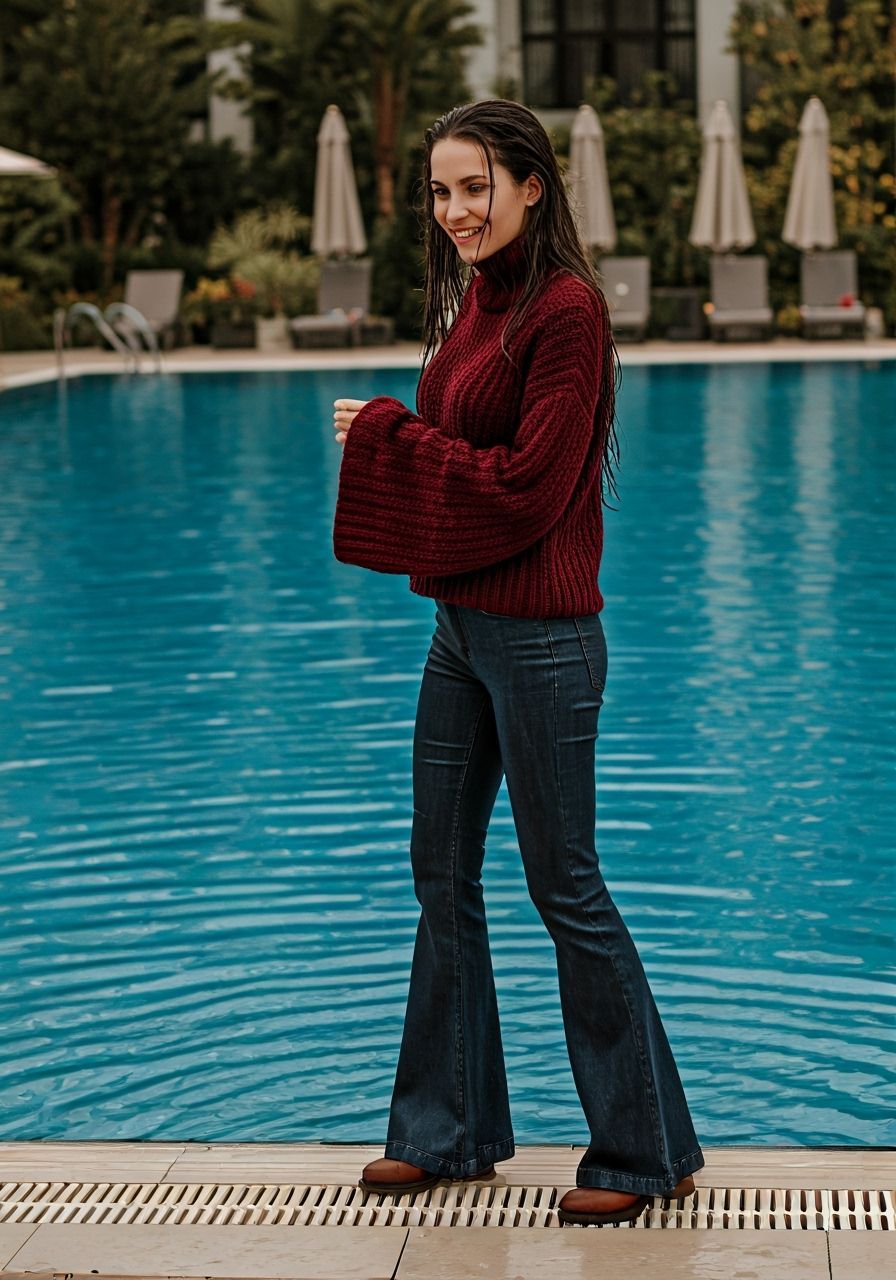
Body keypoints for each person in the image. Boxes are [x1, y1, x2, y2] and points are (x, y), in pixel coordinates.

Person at [330, 99, 704, 1227]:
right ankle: (445, 1134)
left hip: (542, 640)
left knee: (564, 884)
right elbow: (477, 460)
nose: (453, 212)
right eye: (438, 193)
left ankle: (642, 1147)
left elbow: (530, 488)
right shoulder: (477, 302)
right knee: (438, 873)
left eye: (472, 188)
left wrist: (391, 436)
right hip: (459, 631)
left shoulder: (568, 313)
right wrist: (412, 434)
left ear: (531, 184)